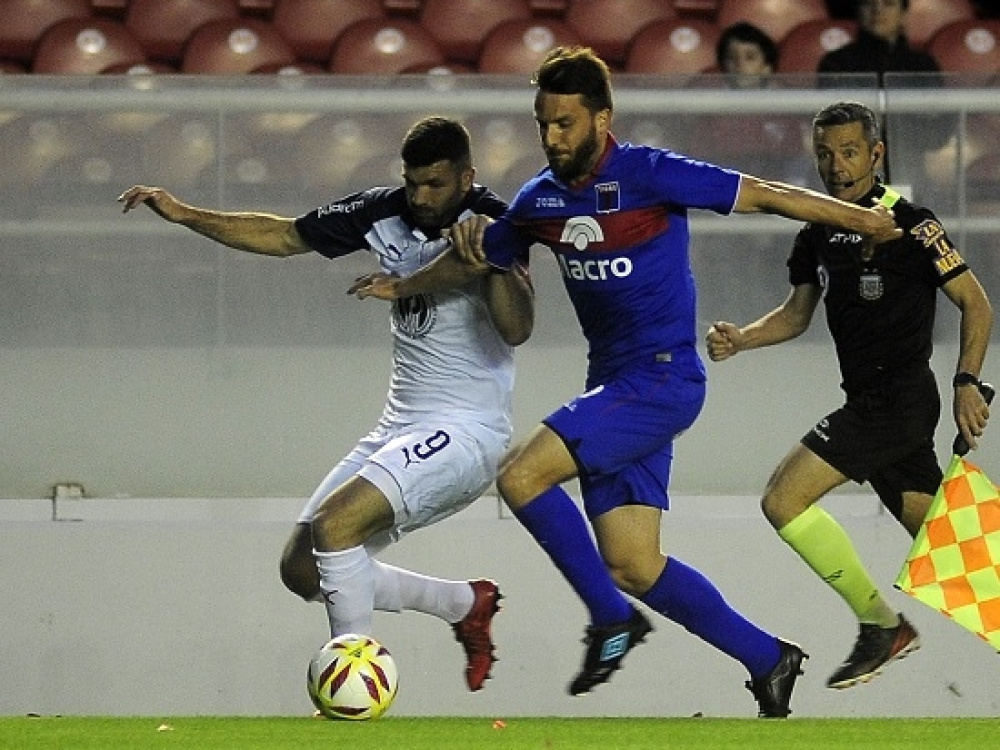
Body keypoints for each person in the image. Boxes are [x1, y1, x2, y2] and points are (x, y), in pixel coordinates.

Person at [354, 47, 903, 717]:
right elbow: (477, 260)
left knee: (520, 475)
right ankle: (769, 658)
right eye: (543, 124)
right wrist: (403, 285)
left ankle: (610, 621)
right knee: (634, 563)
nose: (552, 137)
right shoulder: (540, 200)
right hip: (615, 386)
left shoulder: (649, 173)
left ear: (601, 119)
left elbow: (765, 194)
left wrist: (864, 219)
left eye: (564, 123)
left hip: (663, 380)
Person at [117, 116, 535, 693]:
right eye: (413, 183)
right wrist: (186, 213)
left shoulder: (495, 223)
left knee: (336, 526)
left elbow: (517, 329)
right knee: (303, 568)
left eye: (435, 184)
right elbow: (284, 236)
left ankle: (356, 694)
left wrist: (487, 264)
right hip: (399, 427)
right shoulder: (382, 211)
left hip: (467, 434)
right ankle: (464, 604)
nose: (421, 197)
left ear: (467, 177)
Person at [706, 101, 992, 690]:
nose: (837, 167)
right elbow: (795, 315)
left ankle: (879, 626)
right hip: (876, 404)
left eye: (850, 152)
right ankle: (884, 627)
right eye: (826, 155)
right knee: (958, 550)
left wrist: (967, 381)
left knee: (783, 499)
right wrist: (742, 339)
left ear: (876, 155)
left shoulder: (914, 224)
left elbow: (977, 303)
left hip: (899, 401)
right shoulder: (816, 232)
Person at [817, 0, 940, 87]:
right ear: (858, 11)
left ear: (903, 14)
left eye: (888, 4)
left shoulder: (923, 66)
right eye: (869, 3)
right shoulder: (836, 64)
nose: (877, 10)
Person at [716, 21, 779, 90]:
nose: (740, 64)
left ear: (767, 68)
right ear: (723, 65)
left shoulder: (784, 98)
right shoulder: (710, 98)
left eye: (750, 57)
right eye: (732, 57)